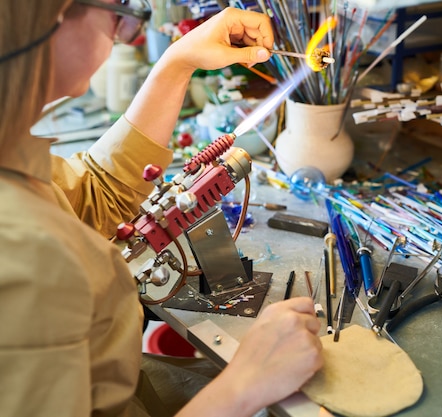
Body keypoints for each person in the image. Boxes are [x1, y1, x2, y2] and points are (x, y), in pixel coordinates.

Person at [0, 1, 323, 416]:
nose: (124, 29)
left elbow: (96, 195)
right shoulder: (23, 251)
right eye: (119, 13)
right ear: (59, 14)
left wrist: (179, 62)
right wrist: (245, 384)